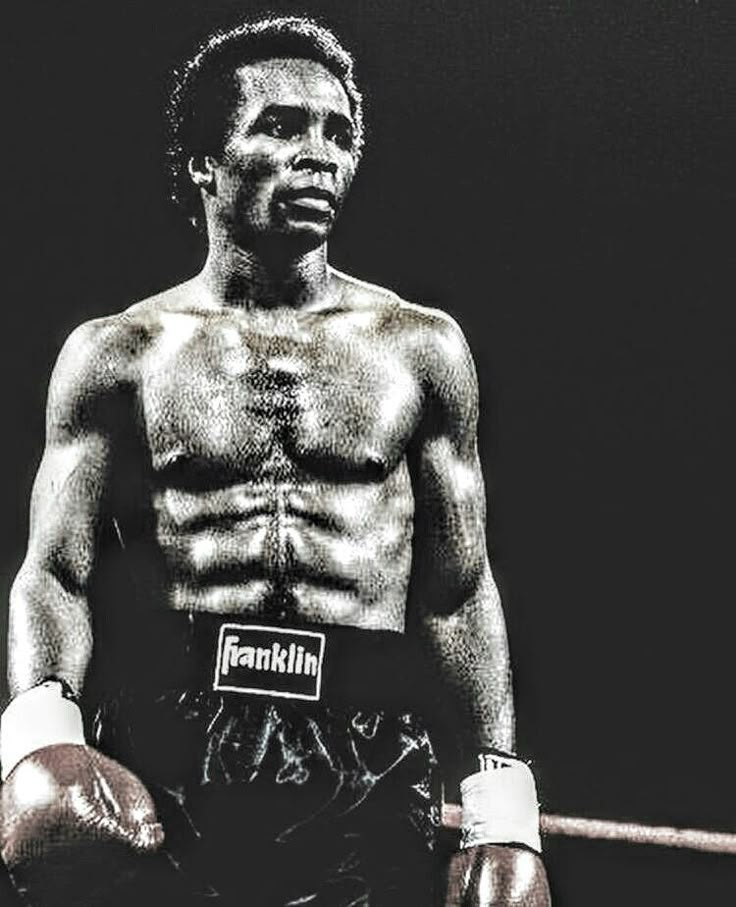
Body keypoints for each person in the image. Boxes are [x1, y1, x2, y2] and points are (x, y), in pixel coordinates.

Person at [0, 16, 551, 906]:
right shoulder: (119, 352)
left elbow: (460, 589)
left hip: (364, 748)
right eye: (283, 128)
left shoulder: (423, 350)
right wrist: (39, 733)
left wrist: (503, 812)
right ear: (203, 162)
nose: (319, 156)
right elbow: (54, 570)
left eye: (337, 135)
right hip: (171, 739)